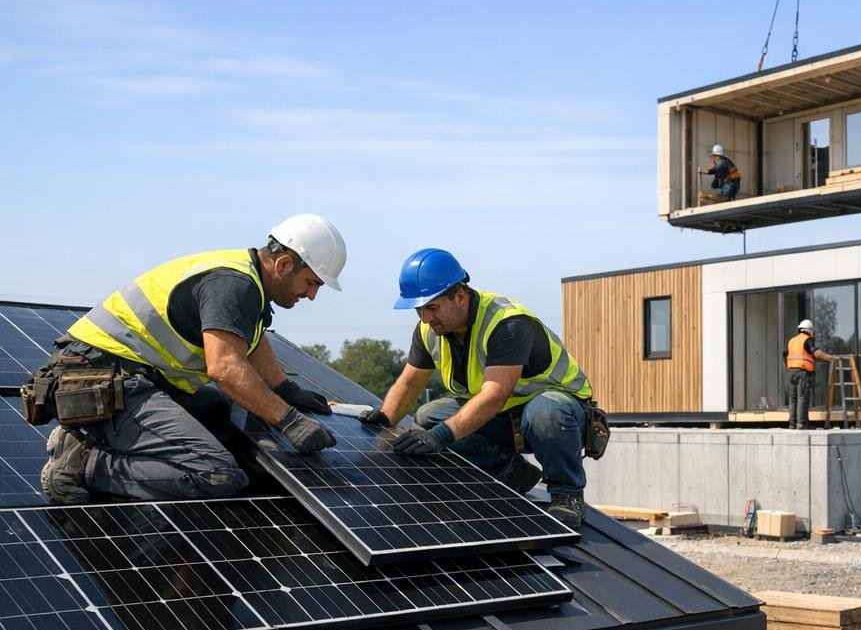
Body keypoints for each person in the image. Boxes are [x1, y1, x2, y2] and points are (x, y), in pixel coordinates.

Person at [37, 214, 346, 504]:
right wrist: (289, 419)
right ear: (283, 263)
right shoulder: (235, 285)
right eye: (311, 282)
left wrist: (285, 390)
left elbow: (249, 340)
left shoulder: (247, 279)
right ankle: (82, 463)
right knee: (217, 473)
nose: (312, 295)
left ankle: (112, 442)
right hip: (100, 378)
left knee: (216, 408)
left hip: (123, 373)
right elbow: (225, 368)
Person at [365, 248, 593, 528]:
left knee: (545, 411)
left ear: (459, 295)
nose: (425, 318)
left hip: (557, 414)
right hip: (503, 418)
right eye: (419, 309)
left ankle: (566, 496)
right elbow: (410, 382)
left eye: (432, 307)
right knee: (429, 415)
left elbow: (495, 394)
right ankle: (510, 471)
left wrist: (439, 437)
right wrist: (385, 417)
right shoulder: (430, 330)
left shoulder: (506, 323)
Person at [785, 319, 834, 429]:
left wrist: (789, 368)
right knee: (802, 397)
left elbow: (785, 355)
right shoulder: (807, 339)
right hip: (802, 372)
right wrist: (830, 357)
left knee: (792, 398)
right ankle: (802, 424)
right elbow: (816, 353)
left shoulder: (791, 341)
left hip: (791, 372)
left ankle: (792, 424)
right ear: (809, 330)